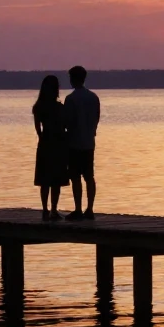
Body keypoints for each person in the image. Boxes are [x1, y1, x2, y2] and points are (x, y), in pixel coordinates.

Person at [62, 65, 100, 220]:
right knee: (89, 176)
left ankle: (78, 209)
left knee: (76, 177)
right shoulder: (93, 97)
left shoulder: (71, 99)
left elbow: (67, 121)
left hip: (74, 143)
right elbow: (96, 119)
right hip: (89, 142)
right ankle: (90, 209)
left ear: (74, 79)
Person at [32, 74, 69, 221]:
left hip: (45, 142)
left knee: (44, 178)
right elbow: (65, 125)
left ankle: (45, 210)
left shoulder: (38, 107)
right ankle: (53, 209)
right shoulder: (59, 107)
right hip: (58, 142)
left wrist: (42, 137)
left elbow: (37, 128)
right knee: (56, 179)